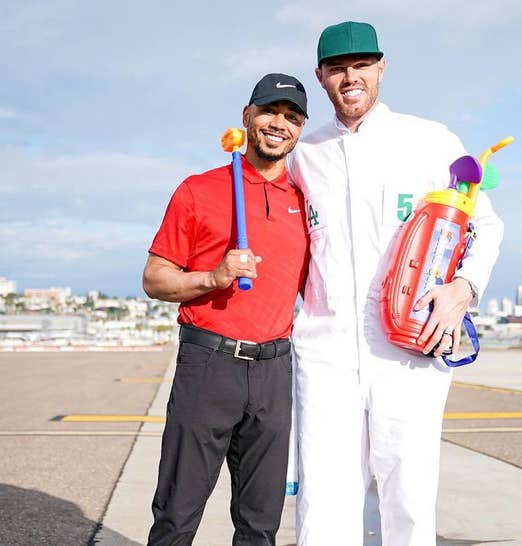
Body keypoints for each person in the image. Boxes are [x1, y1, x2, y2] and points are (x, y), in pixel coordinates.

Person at [287, 22, 504, 546]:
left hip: (409, 347)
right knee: (324, 500)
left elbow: (486, 225)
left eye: (361, 65)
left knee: (407, 494)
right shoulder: (303, 154)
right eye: (337, 69)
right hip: (325, 350)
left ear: (382, 67)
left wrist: (463, 290)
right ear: (320, 77)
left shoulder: (430, 140)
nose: (350, 77)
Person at [143, 73, 310, 546]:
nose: (280, 124)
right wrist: (213, 277)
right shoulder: (199, 190)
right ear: (247, 116)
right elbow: (154, 279)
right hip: (209, 364)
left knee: (261, 524)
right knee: (177, 513)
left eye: (292, 117)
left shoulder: (305, 199)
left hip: (276, 369)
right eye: (270, 112)